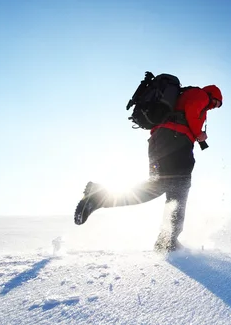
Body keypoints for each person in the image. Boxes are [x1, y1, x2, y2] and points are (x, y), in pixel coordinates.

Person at [73, 84, 223, 253]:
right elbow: (191, 110)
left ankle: (166, 240)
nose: (215, 107)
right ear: (213, 95)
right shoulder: (200, 94)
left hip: (159, 141)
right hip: (175, 142)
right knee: (179, 189)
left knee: (159, 186)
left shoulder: (184, 95)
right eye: (218, 103)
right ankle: (167, 240)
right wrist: (199, 134)